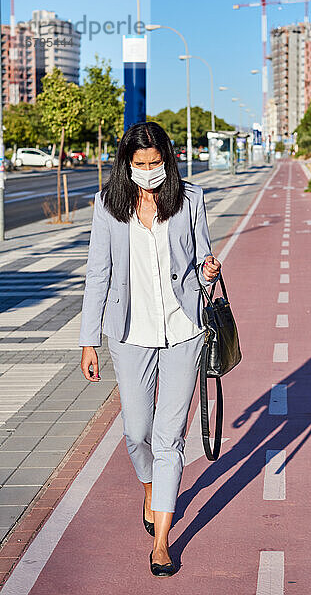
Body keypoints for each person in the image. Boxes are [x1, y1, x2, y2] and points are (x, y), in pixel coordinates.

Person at [79, 121, 221, 577]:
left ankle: (162, 541)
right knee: (136, 433)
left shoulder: (191, 199)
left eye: (156, 163)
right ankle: (149, 485)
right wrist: (89, 340)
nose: (149, 171)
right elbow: (98, 274)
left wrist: (209, 272)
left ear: (169, 159)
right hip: (129, 332)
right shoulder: (107, 206)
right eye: (140, 164)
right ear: (126, 163)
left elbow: (201, 260)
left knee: (168, 437)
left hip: (184, 330)